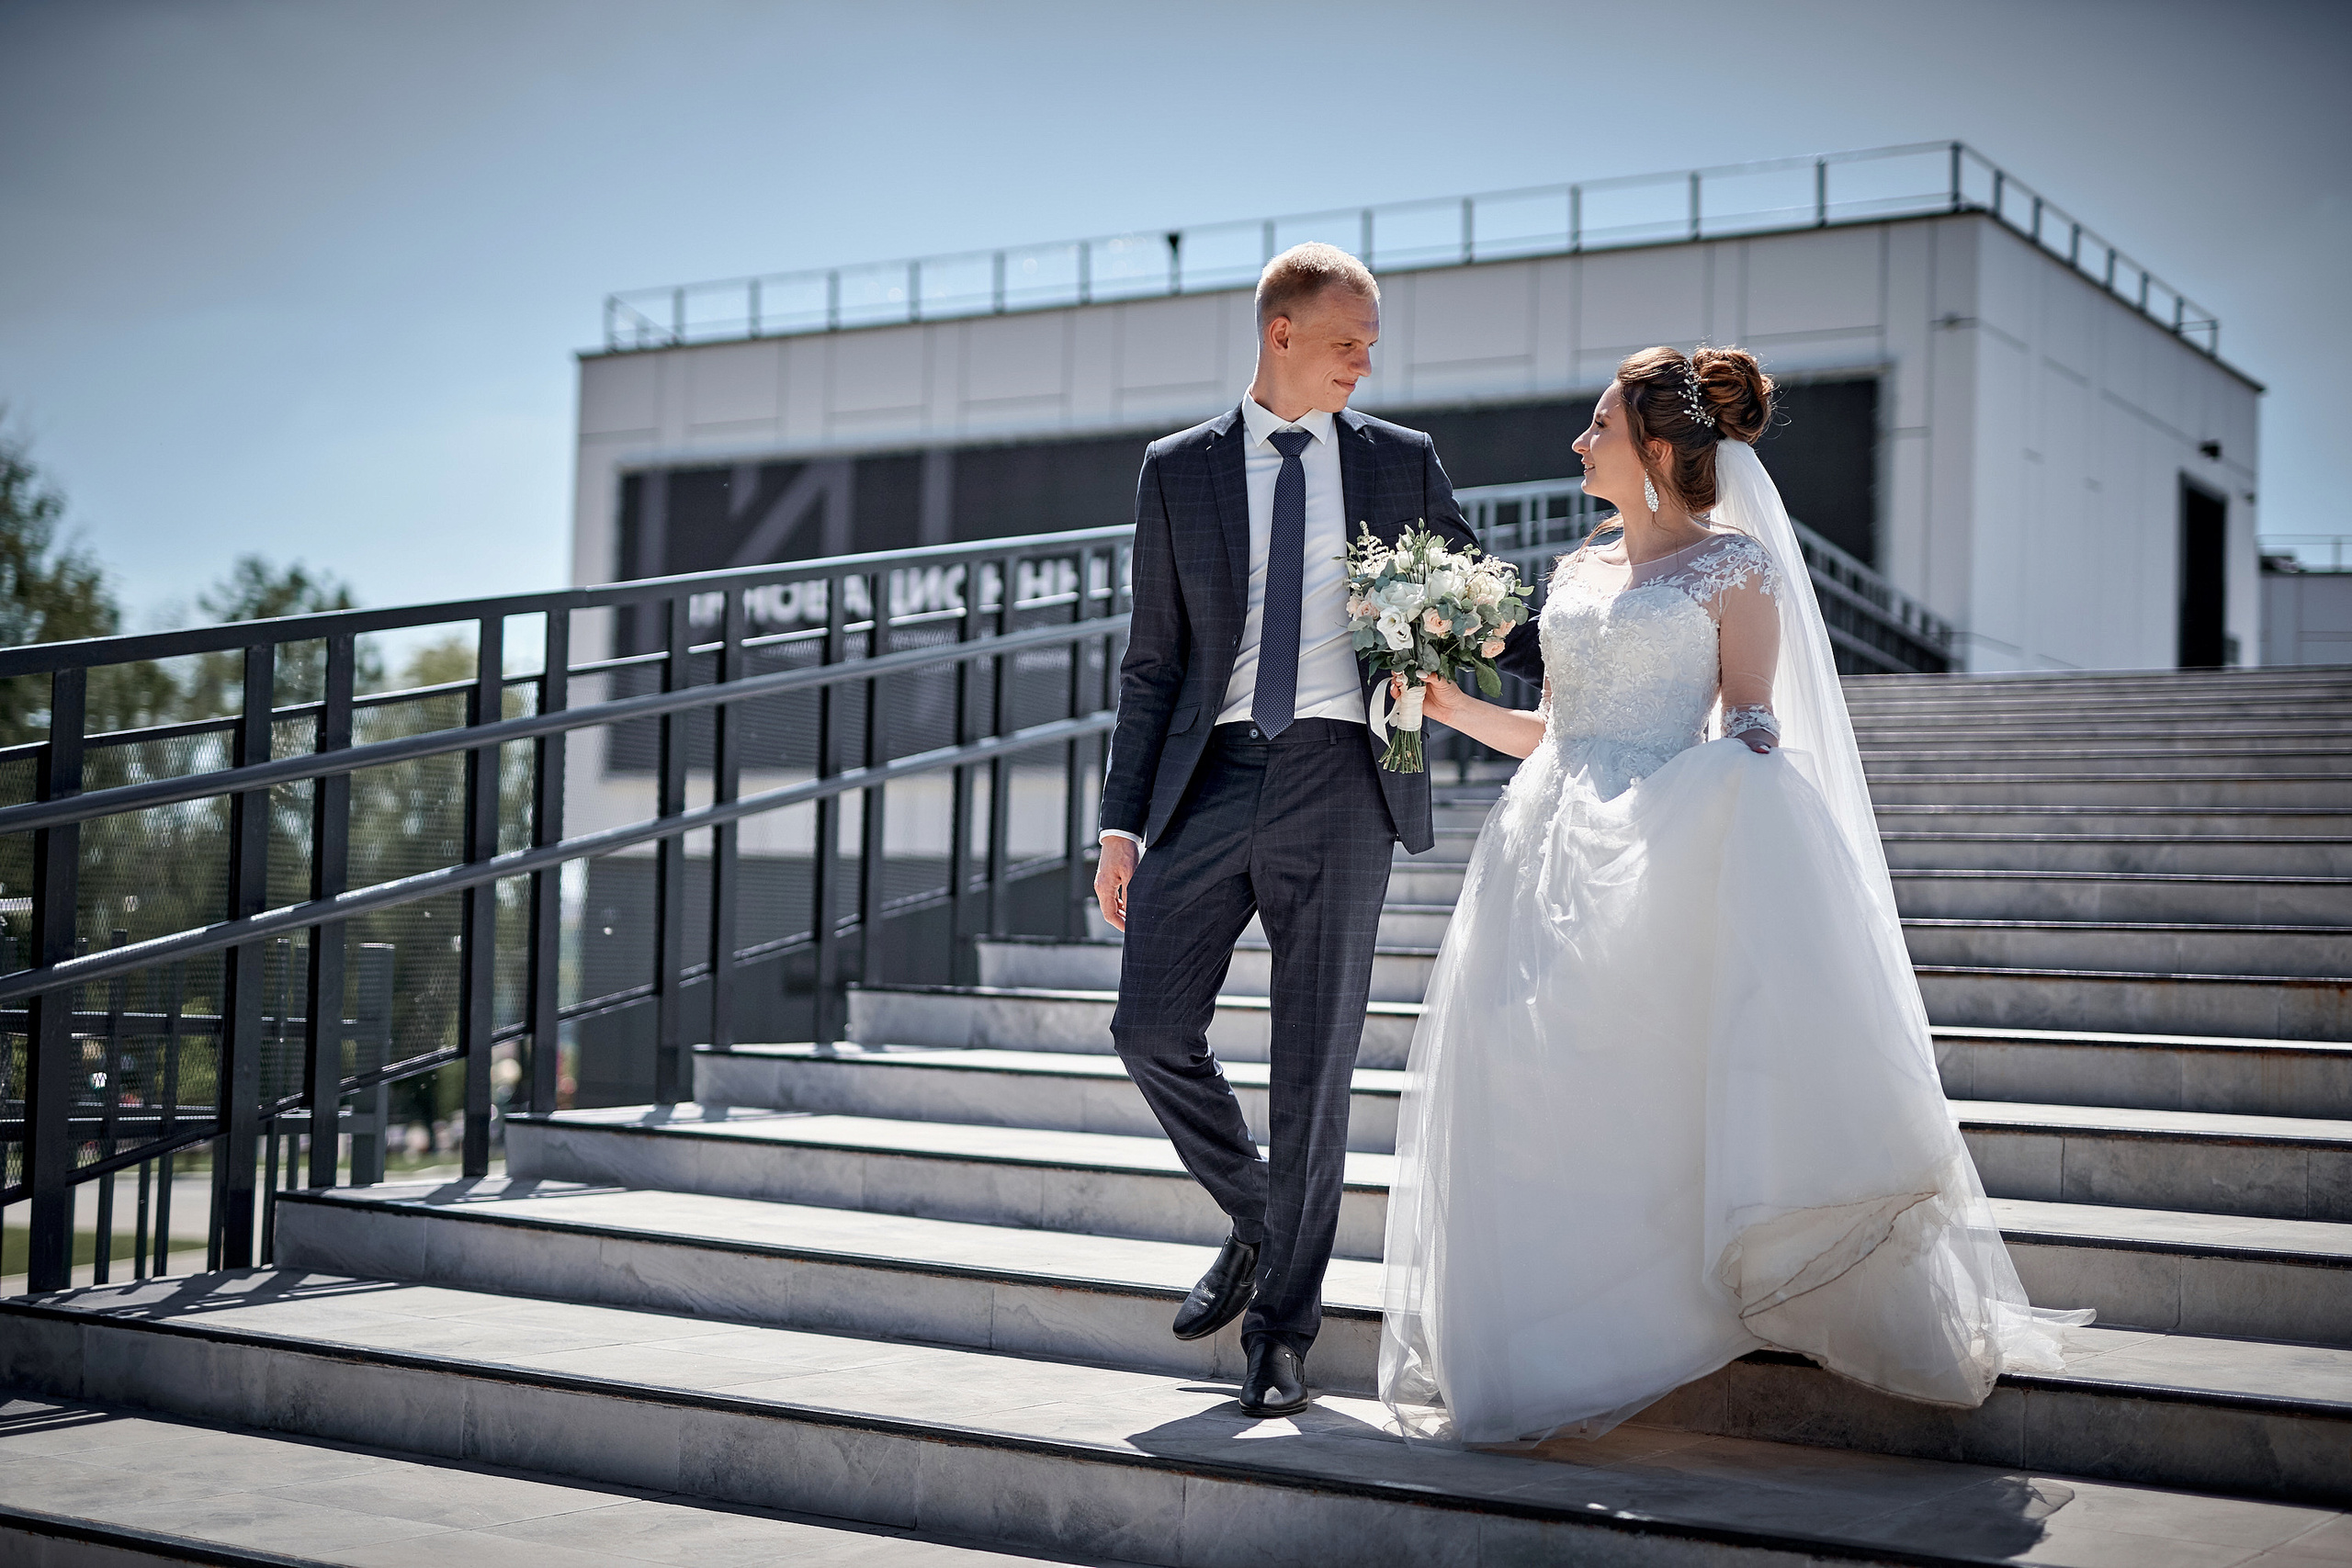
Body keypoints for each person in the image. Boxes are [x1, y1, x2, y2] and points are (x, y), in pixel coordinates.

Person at [1377, 345, 2090, 1444]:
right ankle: (1545, 1329)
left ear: (1659, 451)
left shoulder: (1735, 570)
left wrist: (1725, 786)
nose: (1578, 442)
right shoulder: (1574, 572)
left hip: (1655, 850)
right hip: (1540, 850)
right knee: (1528, 1085)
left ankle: (1660, 1309)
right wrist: (1450, 707)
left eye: (1601, 425)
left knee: (1642, 1085)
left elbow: (1750, 719)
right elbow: (1555, 733)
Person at [1095, 243, 1542, 1417]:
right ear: (1280, 332)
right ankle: (1260, 1216)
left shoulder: (1399, 460)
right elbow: (1152, 661)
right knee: (1148, 1028)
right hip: (1209, 778)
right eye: (1348, 341)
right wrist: (1119, 826)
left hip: (1347, 778)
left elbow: (1483, 602)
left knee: (1314, 1069)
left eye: (1372, 345)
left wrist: (1599, 656)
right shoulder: (1177, 470)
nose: (1365, 363)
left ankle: (1281, 1336)